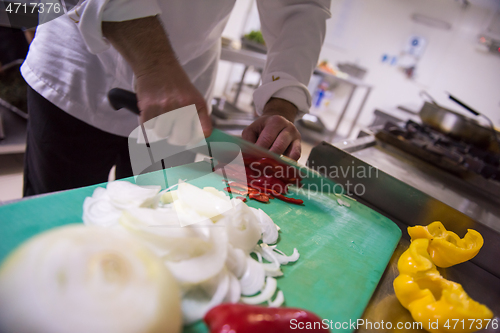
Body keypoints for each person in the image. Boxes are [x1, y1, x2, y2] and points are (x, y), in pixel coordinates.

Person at [21, 0, 331, 196]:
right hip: (78, 71)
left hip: (186, 92)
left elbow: (301, 6)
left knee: (168, 222)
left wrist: (282, 100)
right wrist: (154, 64)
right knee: (58, 228)